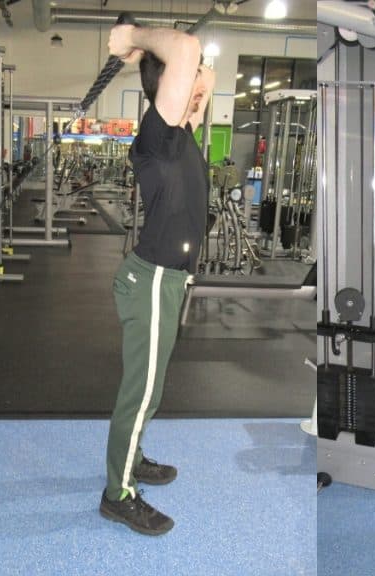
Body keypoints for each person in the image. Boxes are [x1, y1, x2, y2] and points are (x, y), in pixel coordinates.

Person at [98, 22, 215, 536]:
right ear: (169, 86)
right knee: (139, 392)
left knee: (154, 388)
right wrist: (133, 38)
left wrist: (145, 51)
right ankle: (117, 494)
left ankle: (134, 457)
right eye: (187, 81)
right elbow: (188, 51)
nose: (199, 86)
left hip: (169, 281)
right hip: (149, 280)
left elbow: (201, 70)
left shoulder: (183, 134)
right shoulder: (157, 137)